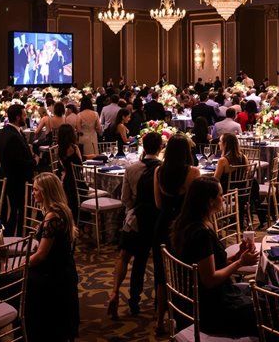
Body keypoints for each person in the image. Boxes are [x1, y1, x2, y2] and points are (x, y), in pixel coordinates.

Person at [170, 176, 259, 337]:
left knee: (267, 293)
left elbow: (210, 264)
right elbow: (210, 279)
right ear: (210, 201)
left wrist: (237, 256)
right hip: (212, 311)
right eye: (220, 195)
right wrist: (240, 263)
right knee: (272, 305)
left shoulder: (189, 223)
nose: (224, 198)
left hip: (200, 301)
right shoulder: (201, 233)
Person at [107, 132, 162, 319]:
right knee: (158, 262)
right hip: (156, 222)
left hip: (136, 220)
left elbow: (125, 200)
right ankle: (158, 303)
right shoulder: (163, 169)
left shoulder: (131, 169)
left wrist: (137, 208)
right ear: (160, 148)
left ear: (143, 148)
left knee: (125, 257)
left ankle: (117, 292)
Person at [153, 134, 202, 336]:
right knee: (183, 270)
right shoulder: (193, 172)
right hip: (182, 225)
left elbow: (158, 204)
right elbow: (194, 205)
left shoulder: (158, 171)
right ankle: (183, 316)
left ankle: (159, 321)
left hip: (162, 223)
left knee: (162, 273)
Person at [25, 172, 79, 342]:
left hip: (53, 275)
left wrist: (20, 265)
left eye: (36, 190)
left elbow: (41, 256)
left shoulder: (52, 217)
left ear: (46, 192)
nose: (33, 193)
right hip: (64, 269)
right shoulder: (61, 209)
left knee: (16, 281)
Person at [0, 104, 36, 231]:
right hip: (17, 180)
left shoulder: (4, 132)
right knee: (17, 211)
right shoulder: (13, 136)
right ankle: (18, 236)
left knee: (13, 211)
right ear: (18, 117)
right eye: (24, 115)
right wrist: (34, 161)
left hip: (8, 176)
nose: (26, 117)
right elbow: (18, 163)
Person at [55, 124, 83, 223]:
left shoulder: (59, 149)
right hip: (76, 182)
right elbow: (80, 165)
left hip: (64, 181)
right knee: (86, 193)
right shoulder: (74, 148)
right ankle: (83, 223)